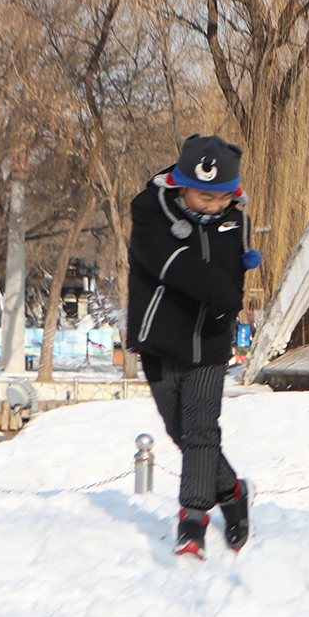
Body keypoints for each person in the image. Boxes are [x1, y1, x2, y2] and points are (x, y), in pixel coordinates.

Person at [127, 135, 262, 559]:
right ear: (181, 183)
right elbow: (167, 263)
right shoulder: (150, 209)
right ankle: (233, 492)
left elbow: (234, 279)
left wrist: (227, 304)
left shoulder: (233, 221)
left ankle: (192, 523)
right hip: (161, 337)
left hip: (210, 339)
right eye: (206, 196)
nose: (215, 205)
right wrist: (222, 293)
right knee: (179, 430)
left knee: (202, 428)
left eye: (225, 198)